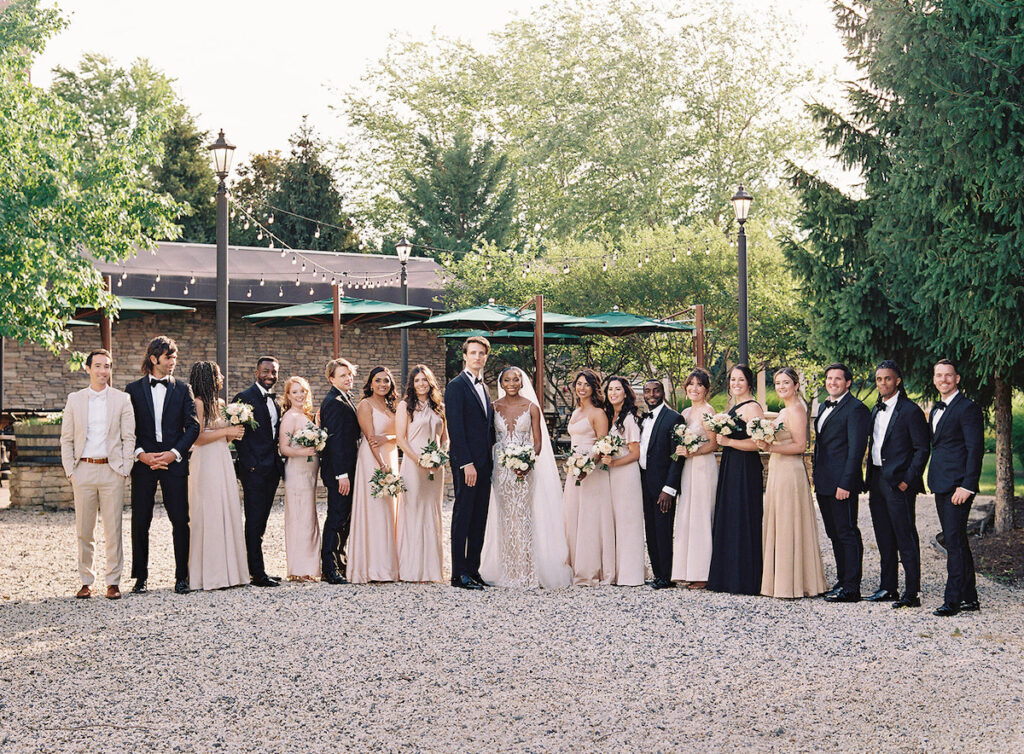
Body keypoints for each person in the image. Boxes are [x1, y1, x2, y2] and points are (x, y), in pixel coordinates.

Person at [480, 366, 571, 589]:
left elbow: (538, 442)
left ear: (522, 383)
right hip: (501, 471)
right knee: (504, 518)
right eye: (507, 380)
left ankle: (527, 572)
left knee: (524, 517)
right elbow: (489, 439)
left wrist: (527, 462)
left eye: (516, 380)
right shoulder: (493, 407)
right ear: (501, 383)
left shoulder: (532, 408)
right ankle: (508, 571)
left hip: (524, 470)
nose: (511, 383)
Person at [125, 336, 200, 595]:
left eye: (175, 358)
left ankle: (182, 577)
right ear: (154, 358)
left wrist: (173, 453)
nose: (173, 362)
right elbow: (127, 428)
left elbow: (193, 426)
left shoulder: (183, 389)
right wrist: (140, 454)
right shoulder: (132, 390)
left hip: (174, 464)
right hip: (144, 464)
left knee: (180, 520)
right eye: (169, 357)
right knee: (140, 520)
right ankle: (140, 578)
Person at [60, 349, 135, 600]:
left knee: (113, 529)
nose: (103, 371)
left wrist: (124, 469)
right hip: (83, 470)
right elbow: (67, 438)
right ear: (88, 368)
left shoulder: (122, 400)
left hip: (112, 471)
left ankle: (113, 581)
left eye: (108, 366)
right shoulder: (75, 399)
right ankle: (86, 581)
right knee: (84, 529)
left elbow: (129, 437)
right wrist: (71, 471)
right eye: (99, 366)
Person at [756, 368, 827, 599]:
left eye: (786, 382)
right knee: (779, 521)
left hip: (790, 470)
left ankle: (793, 583)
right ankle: (781, 580)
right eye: (777, 383)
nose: (781, 387)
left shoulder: (796, 409)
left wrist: (770, 447)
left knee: (788, 522)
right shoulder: (785, 410)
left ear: (796, 385)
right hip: (778, 468)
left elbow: (800, 446)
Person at [864, 360, 930, 608]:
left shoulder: (910, 411)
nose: (882, 383)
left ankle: (912, 593)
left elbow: (921, 450)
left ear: (898, 381)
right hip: (877, 479)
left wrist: (907, 481)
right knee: (883, 536)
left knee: (905, 536)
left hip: (898, 482)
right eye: (879, 379)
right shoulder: (876, 408)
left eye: (887, 379)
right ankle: (887, 587)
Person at [928, 359, 984, 617]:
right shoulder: (936, 410)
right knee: (957, 540)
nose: (943, 380)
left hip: (958, 486)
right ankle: (969, 597)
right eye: (939, 375)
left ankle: (953, 600)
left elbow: (975, 450)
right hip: (941, 483)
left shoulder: (968, 408)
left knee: (953, 540)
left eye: (948, 375)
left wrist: (968, 486)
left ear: (957, 378)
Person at [812, 362, 871, 603]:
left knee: (847, 532)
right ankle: (842, 580)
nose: (832, 382)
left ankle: (852, 587)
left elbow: (857, 451)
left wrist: (846, 484)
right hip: (824, 481)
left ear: (848, 383)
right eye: (829, 378)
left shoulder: (856, 409)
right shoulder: (825, 406)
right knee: (834, 533)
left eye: (838, 379)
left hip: (841, 484)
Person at [187, 361, 249, 591]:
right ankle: (210, 575)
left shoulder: (221, 403)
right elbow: (197, 438)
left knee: (226, 509)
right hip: (205, 462)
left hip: (222, 458)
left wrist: (234, 432)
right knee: (209, 512)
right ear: (208, 378)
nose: (222, 377)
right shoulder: (199, 403)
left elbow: (224, 438)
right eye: (218, 374)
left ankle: (230, 572)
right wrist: (226, 431)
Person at [707, 364, 765, 595]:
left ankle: (745, 578)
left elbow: (758, 444)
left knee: (743, 516)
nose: (735, 384)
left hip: (745, 468)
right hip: (731, 465)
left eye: (740, 380)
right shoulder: (734, 406)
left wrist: (729, 442)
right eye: (732, 380)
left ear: (749, 383)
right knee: (730, 516)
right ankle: (728, 575)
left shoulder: (752, 408)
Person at [445, 336, 496, 591]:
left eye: (481, 353)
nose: (477, 357)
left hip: (485, 464)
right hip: (467, 465)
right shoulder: (456, 386)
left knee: (479, 517)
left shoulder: (484, 387)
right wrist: (467, 463)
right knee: (463, 515)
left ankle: (473, 570)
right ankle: (458, 574)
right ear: (464, 356)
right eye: (473, 353)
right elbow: (455, 427)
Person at [232, 356, 284, 588]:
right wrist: (250, 463)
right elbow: (237, 434)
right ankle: (257, 573)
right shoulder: (244, 398)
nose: (270, 376)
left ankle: (257, 568)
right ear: (256, 372)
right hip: (253, 470)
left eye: (273, 372)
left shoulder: (276, 402)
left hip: (272, 469)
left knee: (261, 521)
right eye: (266, 371)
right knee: (253, 521)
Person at [395, 365, 447, 583]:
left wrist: (440, 457)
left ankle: (431, 570)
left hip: (435, 469)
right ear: (412, 384)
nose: (421, 384)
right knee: (414, 511)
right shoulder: (405, 406)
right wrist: (419, 461)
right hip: (413, 465)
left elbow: (445, 438)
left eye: (425, 380)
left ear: (431, 382)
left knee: (432, 513)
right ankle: (412, 569)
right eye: (417, 380)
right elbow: (400, 439)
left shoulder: (440, 407)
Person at [563, 369, 615, 586]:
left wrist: (588, 466)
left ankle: (590, 569)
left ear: (594, 388)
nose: (581, 388)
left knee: (590, 518)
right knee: (572, 515)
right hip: (574, 470)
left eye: (586, 384)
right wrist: (575, 467)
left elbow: (603, 445)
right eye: (579, 384)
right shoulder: (575, 412)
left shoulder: (598, 413)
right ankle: (573, 565)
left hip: (591, 472)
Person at [348, 366, 400, 583]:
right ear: (370, 383)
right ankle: (373, 568)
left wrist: (388, 440)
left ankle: (389, 566)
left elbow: (398, 435)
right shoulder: (365, 405)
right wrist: (381, 466)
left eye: (386, 381)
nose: (382, 385)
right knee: (376, 510)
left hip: (390, 458)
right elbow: (370, 438)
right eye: (378, 381)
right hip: (373, 460)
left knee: (390, 510)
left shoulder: (391, 405)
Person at [671, 368, 719, 589]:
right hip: (688, 469)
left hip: (702, 467)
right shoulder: (686, 412)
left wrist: (694, 451)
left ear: (706, 389)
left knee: (700, 516)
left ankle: (703, 573)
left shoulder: (708, 411)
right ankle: (686, 569)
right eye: (691, 384)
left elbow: (714, 442)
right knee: (687, 515)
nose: (694, 388)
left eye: (699, 385)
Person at [637, 378, 685, 590]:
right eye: (647, 391)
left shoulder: (675, 418)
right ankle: (657, 573)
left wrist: (669, 488)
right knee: (650, 529)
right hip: (644, 481)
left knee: (663, 529)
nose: (651, 395)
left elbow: (677, 456)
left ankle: (666, 575)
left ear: (663, 392)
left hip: (663, 485)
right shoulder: (642, 419)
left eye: (656, 391)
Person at [318, 358, 360, 584]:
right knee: (336, 517)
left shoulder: (347, 398)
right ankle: (329, 568)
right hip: (339, 471)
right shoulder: (333, 402)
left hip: (350, 469)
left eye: (350, 374)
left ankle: (339, 561)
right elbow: (334, 442)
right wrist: (341, 474)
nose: (348, 378)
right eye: (343, 375)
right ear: (331, 378)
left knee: (344, 518)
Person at [601, 376, 645, 587]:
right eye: (610, 389)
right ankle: (616, 571)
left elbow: (635, 453)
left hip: (626, 474)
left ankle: (631, 575)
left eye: (618, 389)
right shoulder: (610, 416)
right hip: (612, 475)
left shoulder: (629, 419)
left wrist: (615, 463)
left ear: (625, 393)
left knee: (628, 522)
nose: (613, 393)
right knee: (615, 522)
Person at [278, 375, 322, 582]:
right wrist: (303, 453)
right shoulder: (290, 417)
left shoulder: (305, 415)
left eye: (302, 391)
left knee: (309, 517)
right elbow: (284, 448)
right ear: (288, 395)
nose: (299, 395)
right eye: (295, 392)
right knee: (299, 517)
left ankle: (310, 568)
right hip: (297, 472)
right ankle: (298, 569)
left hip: (309, 474)